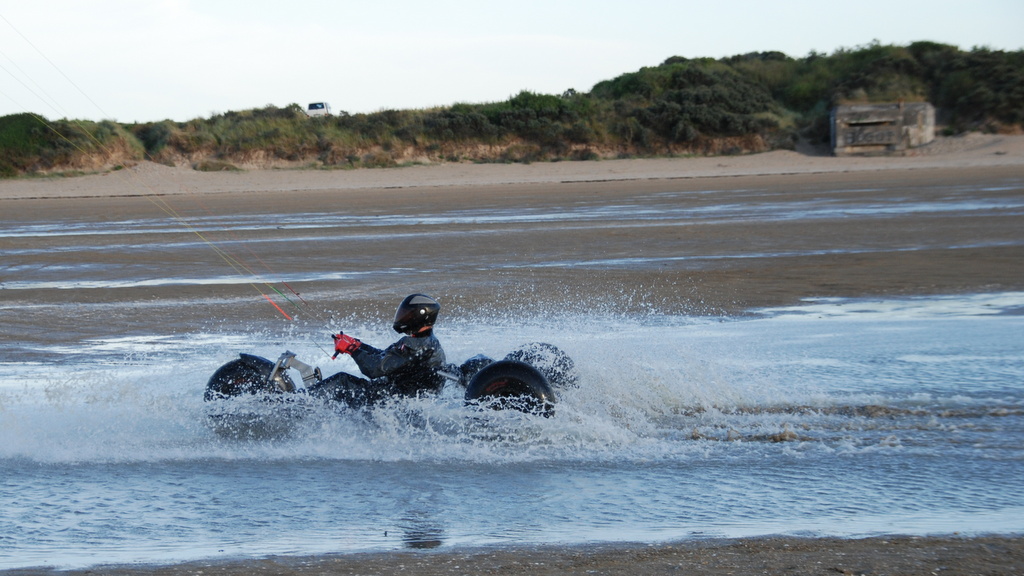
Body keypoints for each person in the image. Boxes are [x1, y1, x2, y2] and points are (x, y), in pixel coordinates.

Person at [309, 294, 447, 408]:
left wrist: (352, 350)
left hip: (394, 402)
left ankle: (296, 404)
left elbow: (374, 369)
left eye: (407, 315)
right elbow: (385, 357)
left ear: (419, 317)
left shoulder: (416, 345)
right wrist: (358, 345)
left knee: (342, 381)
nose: (402, 318)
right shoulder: (424, 341)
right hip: (397, 396)